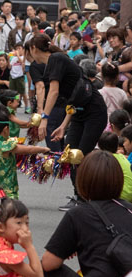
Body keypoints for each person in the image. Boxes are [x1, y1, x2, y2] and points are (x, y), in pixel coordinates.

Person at [40, 149, 132, 277]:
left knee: (41, 271)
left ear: (84, 180)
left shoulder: (78, 214)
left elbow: (48, 264)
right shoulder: (129, 210)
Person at [29, 32, 108, 206]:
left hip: (95, 112)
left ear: (33, 48)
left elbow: (54, 92)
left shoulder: (56, 59)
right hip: (78, 113)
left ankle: (88, 198)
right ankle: (79, 197)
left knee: (81, 156)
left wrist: (44, 119)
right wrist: (64, 125)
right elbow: (72, 99)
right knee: (71, 154)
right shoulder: (53, 62)